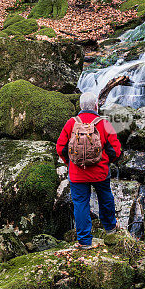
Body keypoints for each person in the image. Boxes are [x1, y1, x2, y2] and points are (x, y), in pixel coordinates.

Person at [56, 92, 122, 249]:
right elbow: (116, 150)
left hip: (77, 174)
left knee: (80, 204)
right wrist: (105, 162)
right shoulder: (104, 123)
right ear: (96, 106)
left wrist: (70, 163)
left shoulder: (71, 123)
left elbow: (60, 148)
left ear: (80, 106)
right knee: (105, 198)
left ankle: (85, 241)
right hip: (100, 173)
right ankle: (110, 230)